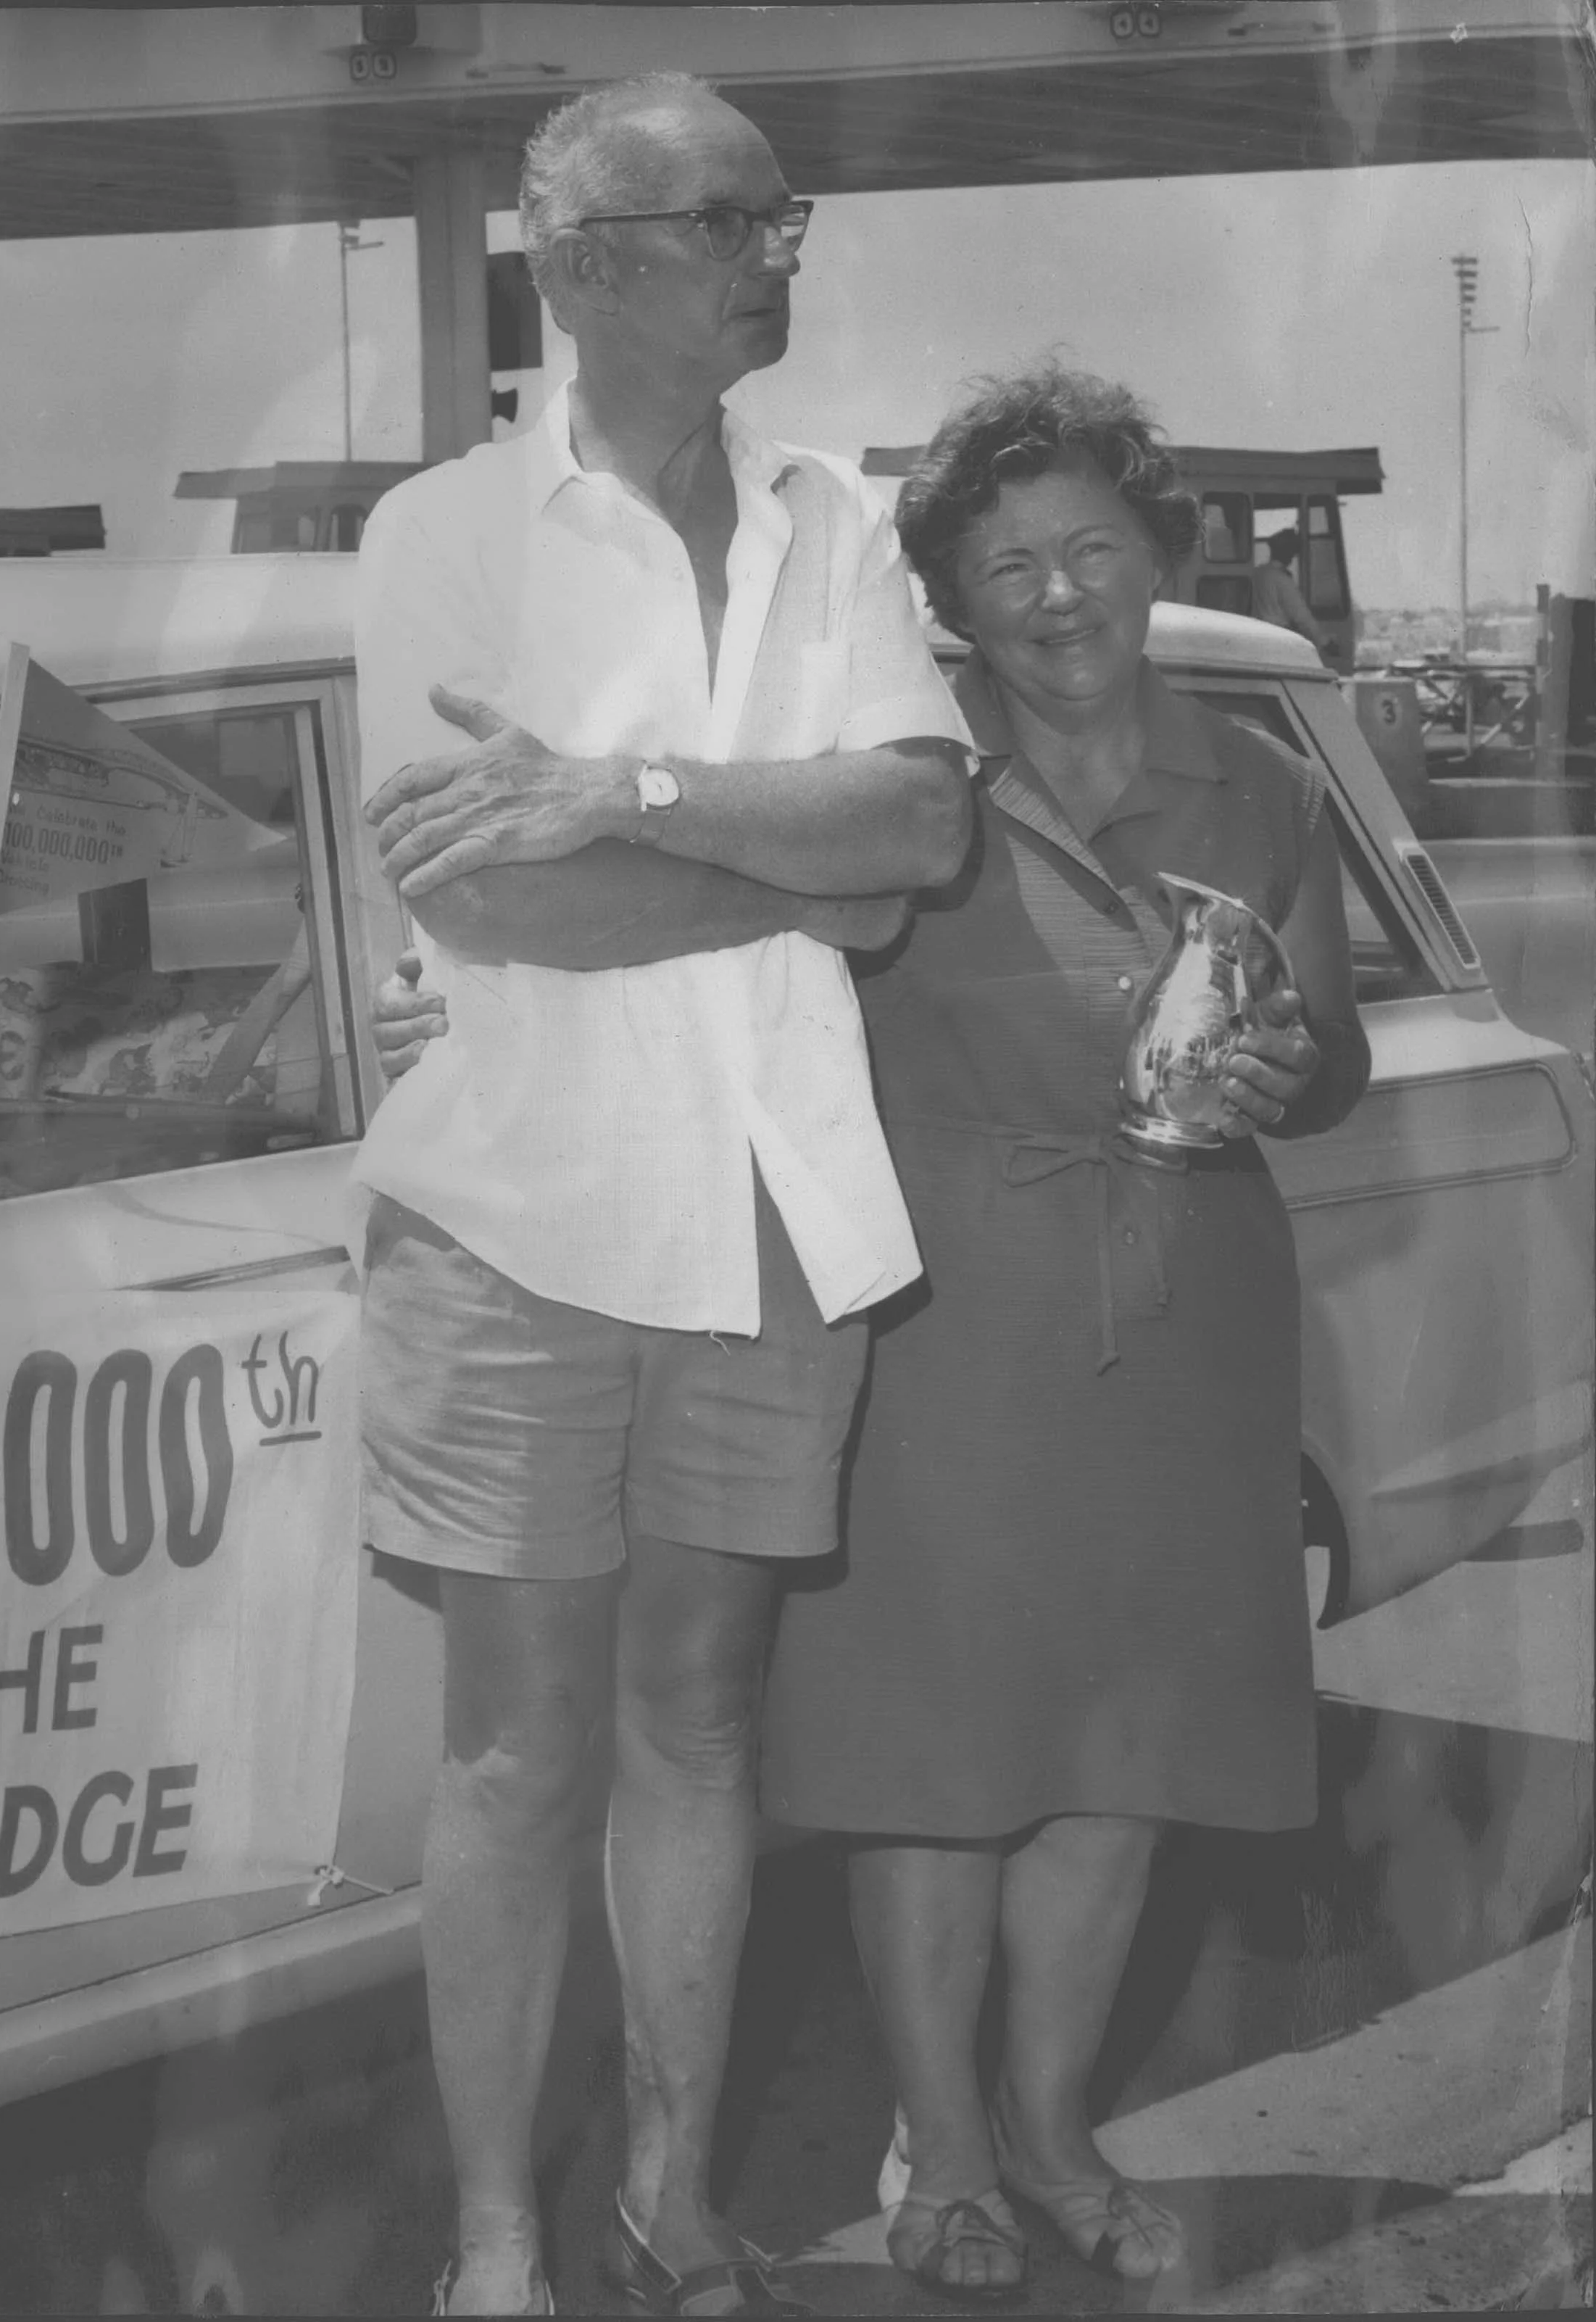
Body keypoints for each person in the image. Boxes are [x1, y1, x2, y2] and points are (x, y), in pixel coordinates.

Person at [374, 365, 1370, 2305]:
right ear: (952, 604)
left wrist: (1280, 1060)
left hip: (1182, 1313)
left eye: (1092, 548)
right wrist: (460, 1003)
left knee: (1120, 1759)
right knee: (948, 1765)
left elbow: (1327, 1051)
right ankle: (950, 2157)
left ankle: (1056, 2125)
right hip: (946, 1310)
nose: (1056, 597)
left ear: (1161, 551)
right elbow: (695, 942)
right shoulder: (906, 772)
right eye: (1004, 568)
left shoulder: (1260, 784)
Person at [350, 73, 975, 2316]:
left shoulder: (841, 519)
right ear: (579, 262)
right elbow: (500, 915)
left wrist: (619, 793)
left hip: (768, 1209)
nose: (778, 255)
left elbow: (918, 841)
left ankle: (671, 2185)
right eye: (733, 221)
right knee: (521, 1745)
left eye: (783, 220)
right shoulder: (442, 533)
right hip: (516, 1219)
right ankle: (502, 2231)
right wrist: (780, 858)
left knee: (700, 1719)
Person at [1253, 529, 1325, 648]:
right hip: (1279, 638)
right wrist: (1324, 642)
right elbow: (1301, 616)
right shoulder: (1282, 580)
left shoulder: (1256, 574)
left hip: (1257, 636)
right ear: (1288, 553)